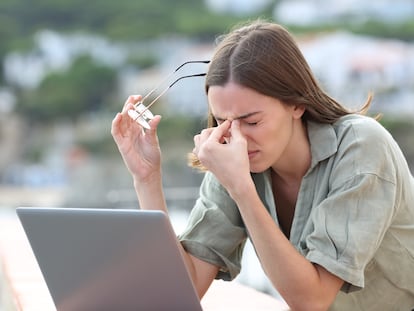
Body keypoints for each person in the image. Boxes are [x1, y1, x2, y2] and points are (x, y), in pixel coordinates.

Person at [111, 20, 414, 310]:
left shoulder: (361, 146)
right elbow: (183, 290)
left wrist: (241, 188)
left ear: (297, 104)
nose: (235, 137)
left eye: (252, 121)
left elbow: (312, 301)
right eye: (221, 121)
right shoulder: (232, 155)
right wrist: (147, 179)